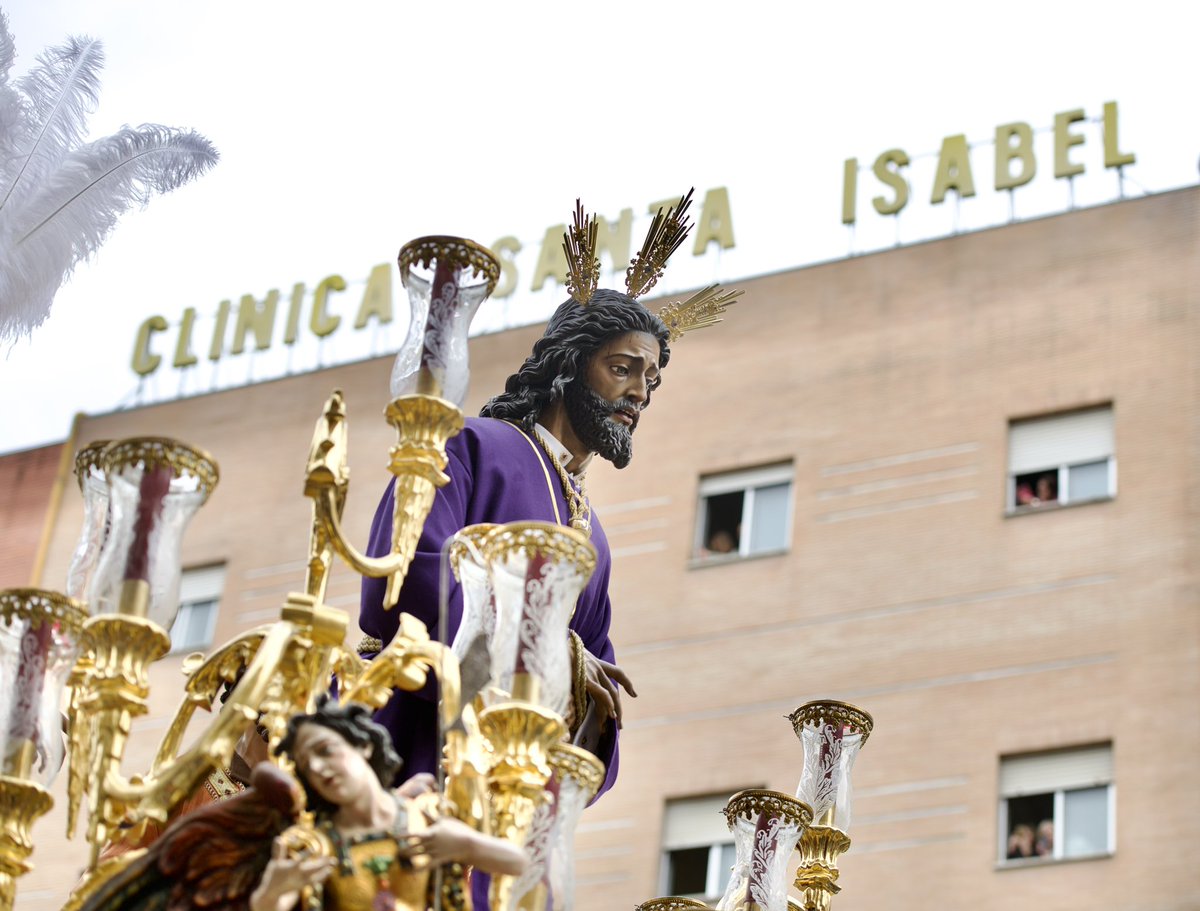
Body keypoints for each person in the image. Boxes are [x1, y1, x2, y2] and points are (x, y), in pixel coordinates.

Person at [359, 291, 671, 797]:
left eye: (650, 380)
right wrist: (552, 653)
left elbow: (599, 675)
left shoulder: (593, 534)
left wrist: (577, 696)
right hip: (409, 749)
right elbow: (409, 577)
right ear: (568, 365)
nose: (640, 393)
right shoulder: (473, 445)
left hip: (509, 790)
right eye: (622, 369)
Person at [251, 701, 526, 911]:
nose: (319, 768)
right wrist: (272, 892)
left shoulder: (426, 815)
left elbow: (520, 863)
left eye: (325, 750)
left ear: (362, 745)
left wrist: (467, 845)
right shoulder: (311, 845)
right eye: (306, 765)